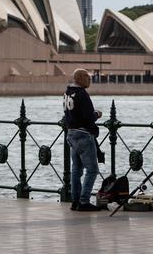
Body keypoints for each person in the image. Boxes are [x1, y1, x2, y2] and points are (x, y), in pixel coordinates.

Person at [63, 68, 103, 212]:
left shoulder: (68, 93)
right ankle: (84, 201)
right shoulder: (82, 94)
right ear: (81, 78)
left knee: (76, 170)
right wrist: (97, 114)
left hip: (71, 134)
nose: (90, 79)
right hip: (83, 135)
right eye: (87, 77)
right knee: (92, 170)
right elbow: (87, 117)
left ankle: (75, 201)